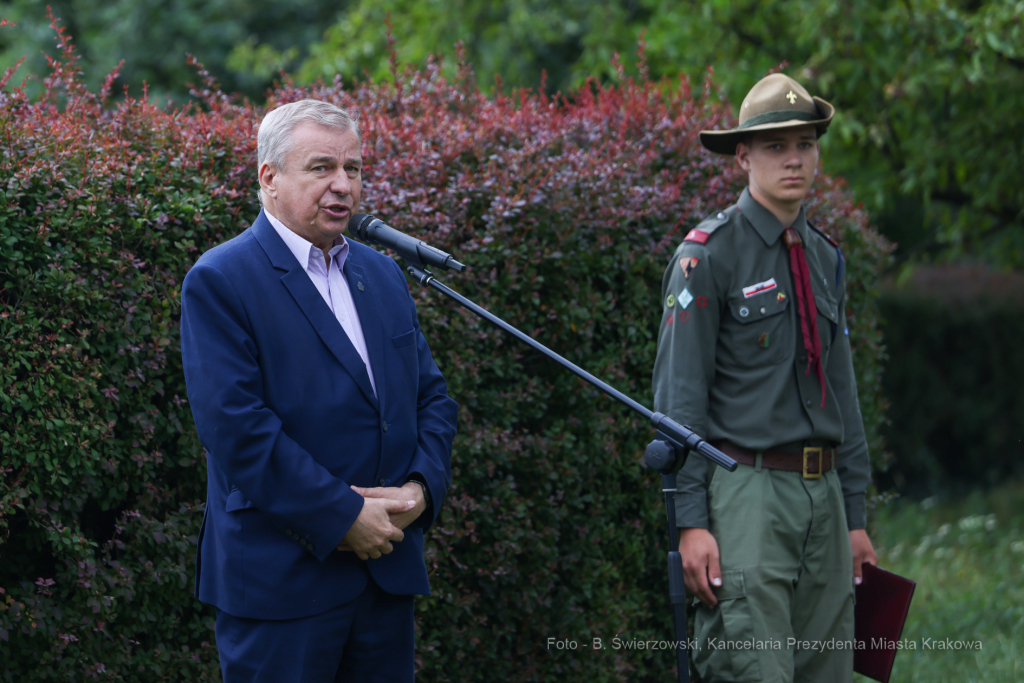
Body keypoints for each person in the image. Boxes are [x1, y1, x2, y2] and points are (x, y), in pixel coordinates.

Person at [180, 99, 459, 682]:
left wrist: (418, 492)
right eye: (322, 167)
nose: (342, 185)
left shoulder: (382, 273)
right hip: (282, 586)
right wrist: (343, 515)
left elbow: (432, 400)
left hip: (386, 577)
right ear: (269, 177)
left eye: (353, 169)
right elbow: (237, 429)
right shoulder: (221, 279)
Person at [652, 73, 878, 683]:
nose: (795, 159)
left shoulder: (824, 255)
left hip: (824, 499)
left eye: (806, 144)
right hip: (746, 494)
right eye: (777, 146)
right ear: (743, 156)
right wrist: (692, 523)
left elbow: (844, 395)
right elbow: (680, 399)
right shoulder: (708, 255)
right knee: (753, 668)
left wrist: (855, 517)